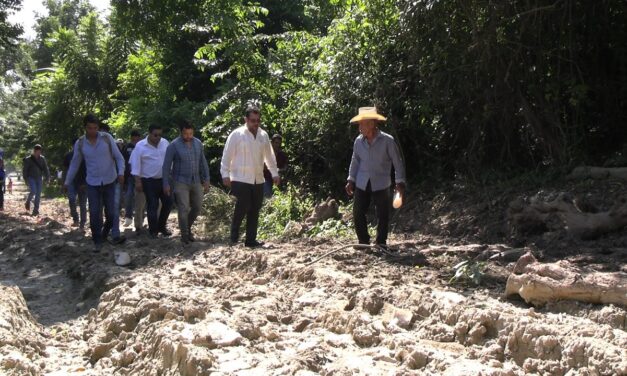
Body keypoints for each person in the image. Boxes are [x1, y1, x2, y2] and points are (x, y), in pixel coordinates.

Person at [345, 107, 406, 248]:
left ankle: (381, 242)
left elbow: (398, 163)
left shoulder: (387, 141)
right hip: (362, 181)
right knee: (358, 211)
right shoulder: (358, 142)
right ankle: (363, 241)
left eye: (362, 123)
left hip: (381, 182)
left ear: (371, 124)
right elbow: (355, 161)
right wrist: (350, 179)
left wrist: (400, 182)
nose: (359, 127)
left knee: (383, 214)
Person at [65, 114, 126, 251]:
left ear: (98, 127)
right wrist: (67, 182)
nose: (92, 131)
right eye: (89, 128)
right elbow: (74, 164)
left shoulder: (107, 139)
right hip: (92, 182)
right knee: (94, 213)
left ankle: (104, 234)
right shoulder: (80, 143)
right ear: (85, 128)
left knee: (111, 213)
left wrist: (121, 172)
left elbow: (119, 158)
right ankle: (97, 240)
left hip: (110, 180)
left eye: (95, 128)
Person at [220, 105, 280, 248]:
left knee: (255, 209)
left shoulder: (263, 135)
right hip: (240, 178)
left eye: (258, 120)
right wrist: (225, 174)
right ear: (245, 119)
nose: (255, 123)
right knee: (242, 207)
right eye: (253, 120)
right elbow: (226, 156)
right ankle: (233, 237)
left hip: (258, 178)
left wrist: (275, 173)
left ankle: (250, 240)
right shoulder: (237, 135)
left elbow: (269, 157)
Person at [162, 120, 210, 244]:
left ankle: (187, 227)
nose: (188, 136)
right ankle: (184, 235)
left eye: (190, 134)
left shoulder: (198, 143)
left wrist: (206, 179)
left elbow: (202, 162)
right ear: (181, 133)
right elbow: (166, 166)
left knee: (197, 207)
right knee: (183, 208)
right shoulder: (173, 145)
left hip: (196, 180)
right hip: (180, 181)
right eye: (185, 134)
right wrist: (166, 184)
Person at [131, 124, 172, 238]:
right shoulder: (140, 146)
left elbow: (169, 159)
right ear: (149, 134)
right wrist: (138, 181)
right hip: (148, 180)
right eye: (155, 135)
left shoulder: (165, 143)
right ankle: (153, 231)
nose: (157, 137)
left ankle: (162, 226)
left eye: (159, 135)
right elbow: (136, 164)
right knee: (152, 205)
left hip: (164, 179)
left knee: (168, 203)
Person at [63, 139, 87, 228]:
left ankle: (83, 222)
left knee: (82, 203)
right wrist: (64, 183)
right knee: (71, 199)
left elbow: (89, 170)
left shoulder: (86, 155)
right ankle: (75, 219)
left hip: (83, 182)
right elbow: (65, 170)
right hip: (71, 182)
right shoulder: (68, 156)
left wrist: (85, 182)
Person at [22, 144, 50, 216]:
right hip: (31, 177)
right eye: (37, 151)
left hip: (39, 178)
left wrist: (48, 178)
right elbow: (25, 170)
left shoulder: (42, 159)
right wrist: (25, 179)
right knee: (33, 191)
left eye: (40, 151)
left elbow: (45, 169)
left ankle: (35, 210)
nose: (39, 153)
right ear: (34, 151)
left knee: (38, 194)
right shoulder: (28, 159)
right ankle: (28, 201)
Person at [123, 130, 142, 227]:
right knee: (129, 195)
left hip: (141, 176)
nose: (135, 140)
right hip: (130, 176)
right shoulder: (127, 147)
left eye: (137, 137)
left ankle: (141, 216)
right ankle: (128, 216)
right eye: (134, 138)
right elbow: (124, 162)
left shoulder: (143, 146)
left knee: (141, 197)